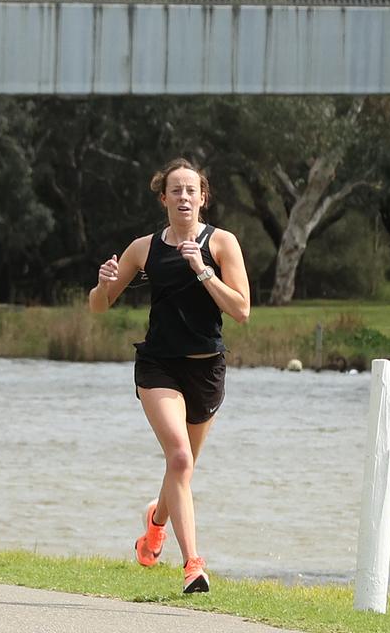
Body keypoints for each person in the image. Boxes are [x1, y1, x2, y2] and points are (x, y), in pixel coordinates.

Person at [88, 158, 250, 595]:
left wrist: (202, 270)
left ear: (203, 197)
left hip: (206, 369)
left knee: (184, 468)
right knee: (179, 458)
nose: (183, 197)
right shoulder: (143, 248)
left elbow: (241, 310)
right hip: (159, 366)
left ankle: (155, 523)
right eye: (175, 190)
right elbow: (99, 306)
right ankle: (193, 565)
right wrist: (103, 286)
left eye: (190, 190)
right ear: (163, 199)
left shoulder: (222, 243)